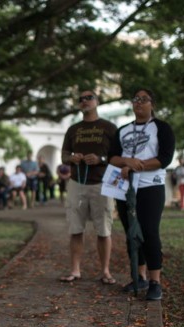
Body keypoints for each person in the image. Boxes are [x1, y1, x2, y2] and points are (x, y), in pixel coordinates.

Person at [110, 88, 175, 300]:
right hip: (124, 187)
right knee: (131, 232)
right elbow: (112, 157)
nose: (139, 103)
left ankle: (155, 281)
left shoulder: (161, 128)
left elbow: (165, 158)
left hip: (151, 186)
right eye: (136, 99)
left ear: (152, 104)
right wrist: (126, 162)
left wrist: (137, 166)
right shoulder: (122, 130)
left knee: (149, 231)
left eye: (144, 99)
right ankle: (139, 277)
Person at [59, 90, 117, 285]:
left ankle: (105, 271)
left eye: (88, 98)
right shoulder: (73, 129)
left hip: (102, 183)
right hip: (77, 183)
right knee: (75, 228)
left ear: (97, 101)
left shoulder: (109, 128)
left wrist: (100, 159)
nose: (84, 101)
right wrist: (71, 158)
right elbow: (64, 154)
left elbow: (118, 157)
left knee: (104, 230)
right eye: (81, 99)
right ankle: (75, 270)